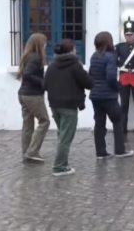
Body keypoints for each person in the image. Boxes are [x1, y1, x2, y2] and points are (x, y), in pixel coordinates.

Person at [44, 39, 92, 177]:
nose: (76, 50)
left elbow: (45, 84)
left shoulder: (52, 66)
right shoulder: (75, 65)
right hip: (69, 106)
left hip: (54, 105)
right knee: (66, 137)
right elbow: (88, 83)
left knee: (62, 134)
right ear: (71, 51)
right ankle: (59, 167)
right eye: (75, 48)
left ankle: (63, 164)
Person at [89, 31, 133, 159]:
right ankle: (120, 150)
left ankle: (101, 152)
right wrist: (117, 88)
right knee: (117, 120)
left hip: (95, 95)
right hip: (108, 96)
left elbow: (91, 73)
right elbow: (111, 77)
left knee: (99, 123)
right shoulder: (110, 57)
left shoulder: (94, 56)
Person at [16, 32, 50, 163]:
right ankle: (32, 151)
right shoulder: (35, 57)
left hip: (23, 94)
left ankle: (27, 153)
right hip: (32, 95)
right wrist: (43, 83)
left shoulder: (28, 56)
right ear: (39, 44)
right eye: (44, 42)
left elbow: (27, 73)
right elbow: (29, 74)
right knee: (44, 121)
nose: (46, 45)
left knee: (28, 124)